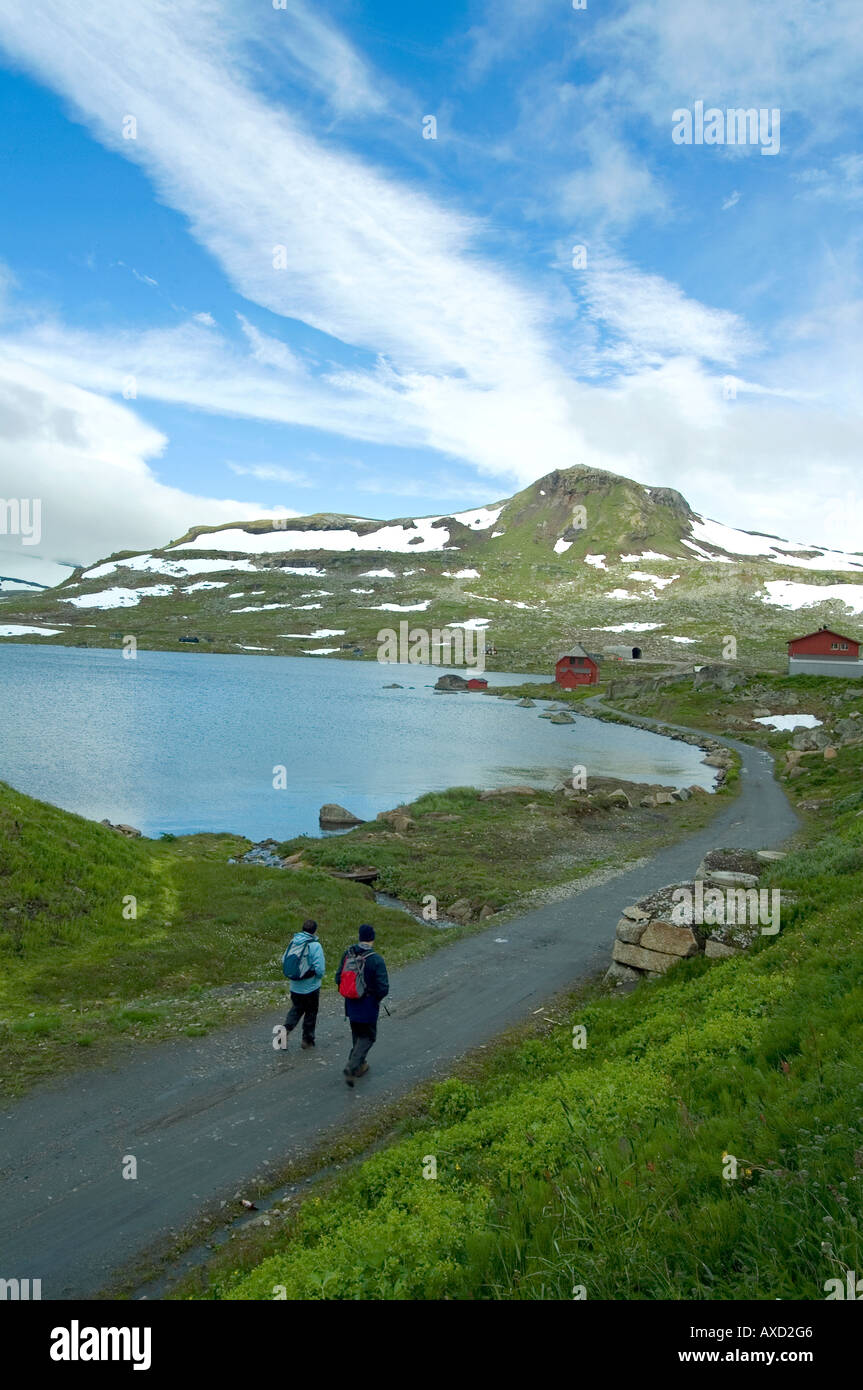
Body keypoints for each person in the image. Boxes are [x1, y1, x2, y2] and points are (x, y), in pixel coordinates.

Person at [335, 924, 389, 1085]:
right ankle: (352, 1066)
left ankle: (360, 1066)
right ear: (372, 938)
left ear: (359, 937)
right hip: (368, 1006)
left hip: (351, 1004)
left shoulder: (348, 954)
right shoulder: (376, 959)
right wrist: (375, 999)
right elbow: (383, 987)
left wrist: (350, 993)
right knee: (368, 1037)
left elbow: (338, 978)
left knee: (357, 1035)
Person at [283, 919, 325, 1049]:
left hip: (295, 986)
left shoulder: (294, 941)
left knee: (296, 1009)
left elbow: (284, 959)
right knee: (311, 1013)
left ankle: (284, 1030)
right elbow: (320, 968)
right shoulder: (315, 945)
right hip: (311, 987)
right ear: (314, 931)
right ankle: (307, 1040)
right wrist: (318, 977)